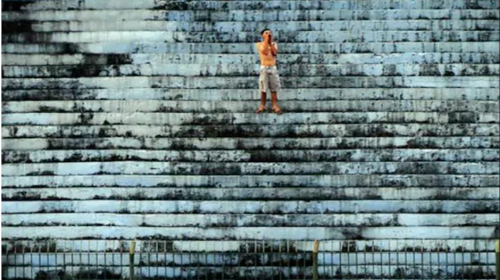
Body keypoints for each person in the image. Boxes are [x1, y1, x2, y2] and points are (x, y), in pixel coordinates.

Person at [256, 29, 283, 115]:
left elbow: (274, 53)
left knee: (273, 88)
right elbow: (264, 51)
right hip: (264, 68)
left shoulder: (274, 44)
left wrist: (270, 42)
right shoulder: (259, 44)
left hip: (273, 68)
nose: (268, 34)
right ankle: (262, 105)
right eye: (266, 33)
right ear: (262, 35)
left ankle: (274, 105)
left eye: (269, 32)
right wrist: (266, 41)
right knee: (263, 88)